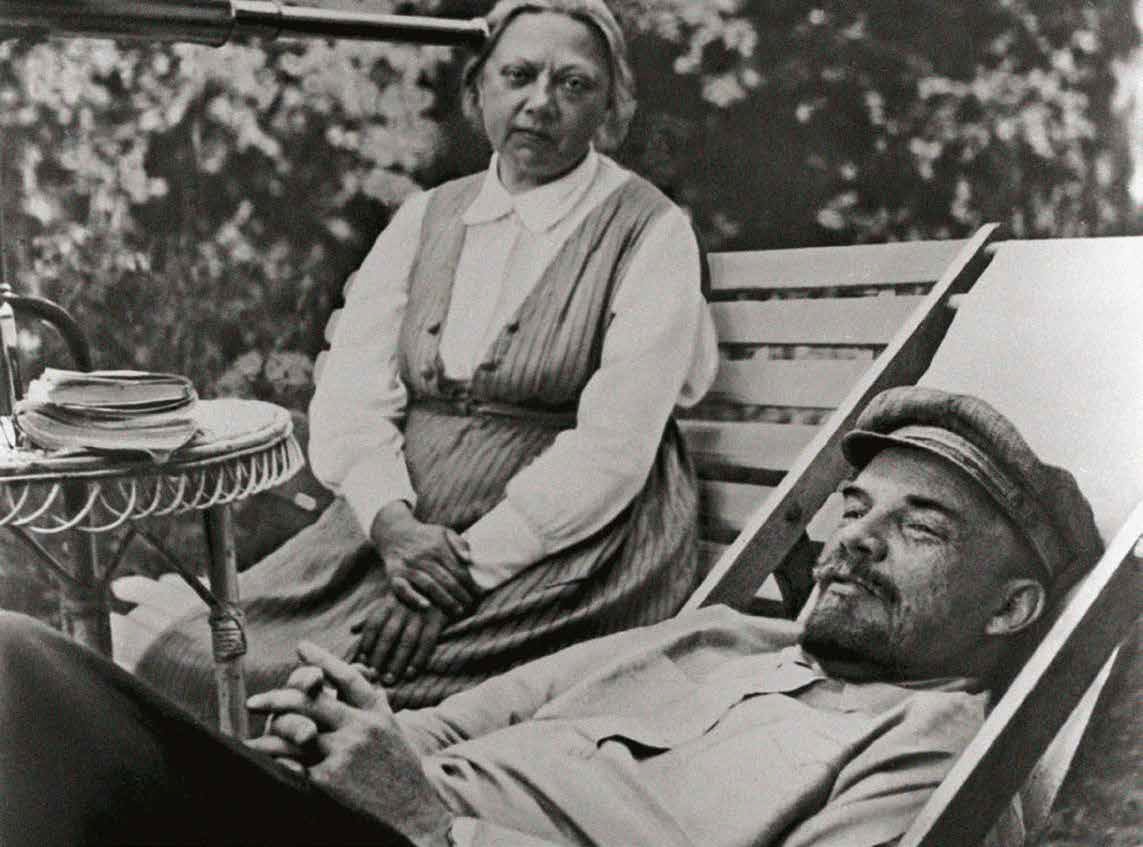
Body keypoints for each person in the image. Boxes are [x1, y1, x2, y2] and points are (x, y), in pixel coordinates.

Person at [0, 387, 1105, 847]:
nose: (853, 538)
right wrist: (354, 731)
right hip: (343, 819)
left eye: (920, 528)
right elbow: (455, 722)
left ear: (1011, 607)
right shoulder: (721, 634)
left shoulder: (932, 748)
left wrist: (437, 828)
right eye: (852, 507)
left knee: (22, 671)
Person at [133, 0, 717, 717]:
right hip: (396, 528)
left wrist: (458, 578)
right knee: (198, 660)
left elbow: (614, 450)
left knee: (339, 701)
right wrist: (391, 524)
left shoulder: (650, 230)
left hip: (566, 542)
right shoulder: (427, 216)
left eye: (573, 84)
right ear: (478, 91)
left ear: (609, 107)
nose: (540, 102)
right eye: (518, 75)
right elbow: (352, 393)